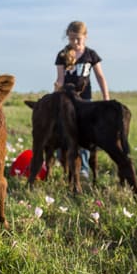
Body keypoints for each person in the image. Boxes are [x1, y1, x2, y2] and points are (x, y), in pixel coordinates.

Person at [54, 21, 110, 177]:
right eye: (72, 39)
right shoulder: (62, 55)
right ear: (68, 37)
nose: (75, 42)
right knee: (64, 130)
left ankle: (84, 167)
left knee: (84, 132)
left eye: (78, 39)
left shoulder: (90, 55)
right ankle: (64, 162)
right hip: (66, 99)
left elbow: (100, 76)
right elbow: (60, 79)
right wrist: (55, 95)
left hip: (85, 100)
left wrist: (106, 97)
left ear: (85, 37)